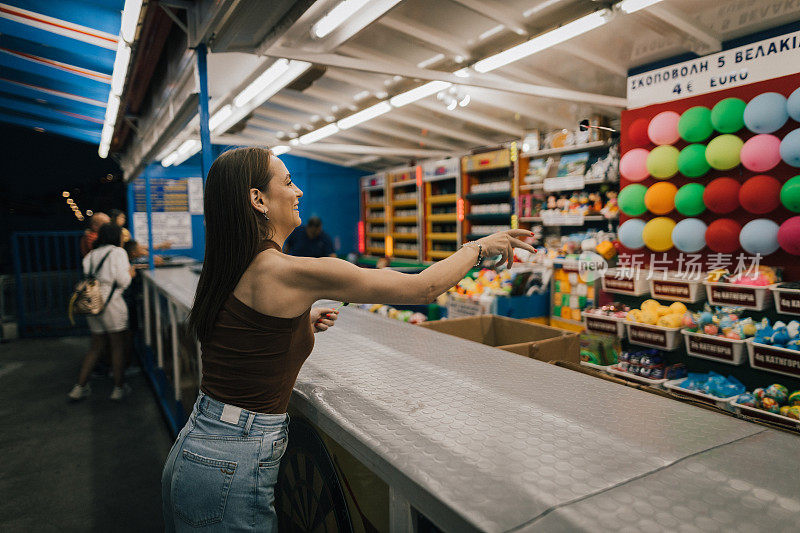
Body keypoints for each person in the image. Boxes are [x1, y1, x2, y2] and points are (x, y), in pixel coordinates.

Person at [160, 147, 534, 532]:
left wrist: (299, 321)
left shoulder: (233, 263)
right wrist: (478, 248)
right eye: (288, 182)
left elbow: (245, 336)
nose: (298, 192)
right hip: (231, 467)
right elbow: (425, 287)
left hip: (200, 450)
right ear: (258, 200)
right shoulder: (283, 271)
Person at [68, 223, 135, 402]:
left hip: (93, 305)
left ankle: (79, 387)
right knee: (117, 346)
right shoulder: (118, 252)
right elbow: (123, 281)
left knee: (96, 346)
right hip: (112, 304)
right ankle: (118, 388)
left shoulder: (91, 255)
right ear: (116, 236)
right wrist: (131, 273)